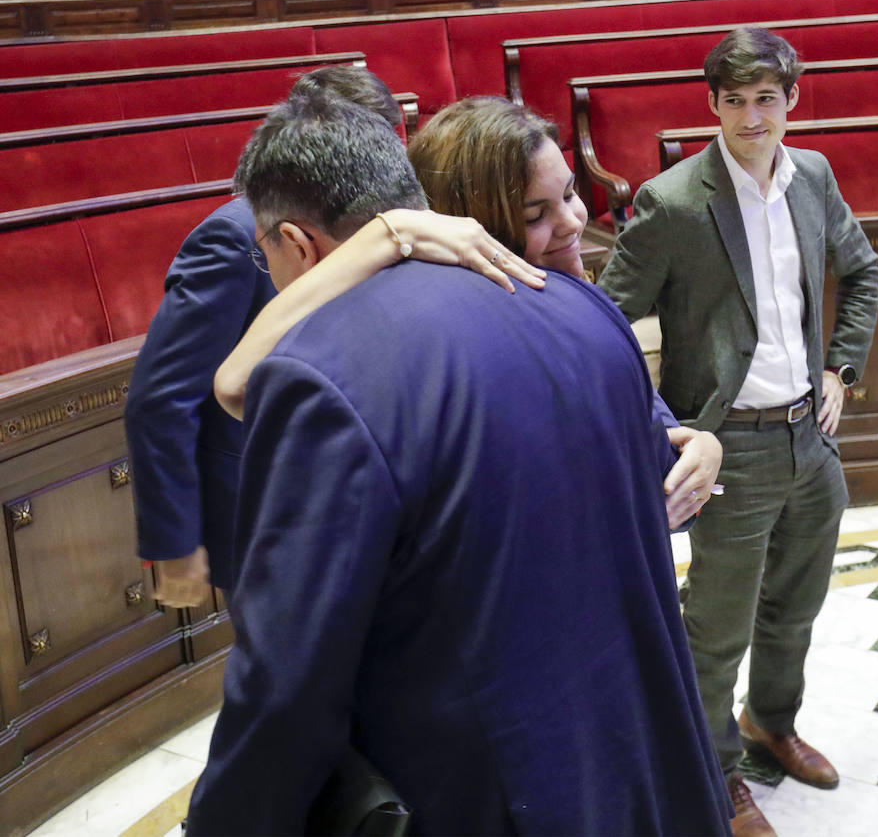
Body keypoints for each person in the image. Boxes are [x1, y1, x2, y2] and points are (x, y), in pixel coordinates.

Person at [185, 93, 731, 835]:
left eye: (266, 256)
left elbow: (288, 680)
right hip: (635, 761)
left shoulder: (320, 374)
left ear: (296, 243)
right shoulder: (582, 309)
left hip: (485, 793)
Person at [597, 26, 878, 837]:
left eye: (767, 99)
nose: (752, 118)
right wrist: (662, 427)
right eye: (735, 102)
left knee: (797, 606)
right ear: (711, 105)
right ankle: (715, 769)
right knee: (716, 627)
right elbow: (607, 321)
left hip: (809, 437)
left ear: (793, 99)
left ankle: (771, 724)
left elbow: (862, 271)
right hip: (732, 446)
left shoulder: (814, 176)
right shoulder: (676, 200)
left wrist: (842, 371)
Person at [215, 95, 722, 531]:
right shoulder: (445, 341)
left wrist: (698, 450)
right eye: (535, 214)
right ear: (467, 226)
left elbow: (657, 450)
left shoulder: (579, 303)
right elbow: (237, 386)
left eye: (569, 194)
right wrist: (389, 233)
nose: (572, 223)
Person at [125, 65, 530, 607]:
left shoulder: (403, 215)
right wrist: (175, 542)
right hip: (267, 499)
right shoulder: (235, 235)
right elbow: (162, 395)